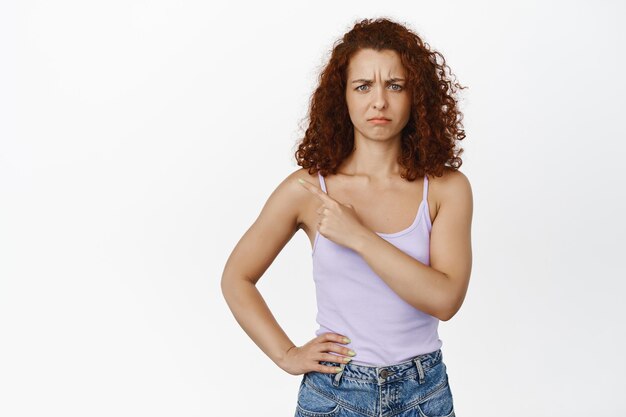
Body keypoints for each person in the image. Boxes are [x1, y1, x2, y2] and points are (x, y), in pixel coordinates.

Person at [221, 17, 472, 417]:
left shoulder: (446, 188)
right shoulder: (307, 190)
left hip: (423, 393)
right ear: (343, 97)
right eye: (363, 86)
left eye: (395, 85)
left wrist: (357, 236)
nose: (379, 102)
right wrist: (287, 354)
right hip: (336, 394)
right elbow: (236, 277)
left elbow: (445, 299)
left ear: (416, 95)